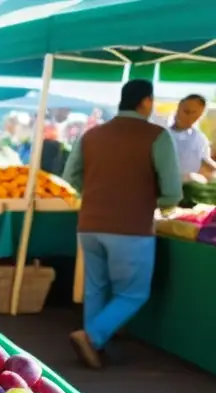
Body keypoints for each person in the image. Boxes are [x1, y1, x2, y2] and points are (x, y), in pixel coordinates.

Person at [63, 79, 182, 368]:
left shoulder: (91, 135)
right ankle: (92, 336)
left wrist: (95, 190)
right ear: (146, 102)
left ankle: (96, 345)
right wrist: (163, 201)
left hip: (90, 222)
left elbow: (69, 178)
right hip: (130, 225)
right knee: (133, 292)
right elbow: (171, 191)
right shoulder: (156, 136)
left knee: (95, 287)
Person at [170, 94, 215, 180]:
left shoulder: (199, 139)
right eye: (187, 111)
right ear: (179, 108)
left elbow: (205, 161)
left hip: (187, 187)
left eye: (196, 114)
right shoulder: (161, 134)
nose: (190, 117)